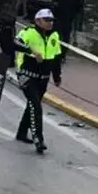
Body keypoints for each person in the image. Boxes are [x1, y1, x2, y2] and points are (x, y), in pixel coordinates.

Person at [15, 8, 63, 154]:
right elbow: (14, 43)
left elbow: (56, 58)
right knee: (36, 107)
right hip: (27, 75)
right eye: (46, 20)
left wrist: (57, 76)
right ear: (37, 21)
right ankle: (38, 140)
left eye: (51, 20)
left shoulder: (54, 36)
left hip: (43, 78)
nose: (50, 23)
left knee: (32, 105)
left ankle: (21, 133)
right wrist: (31, 51)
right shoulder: (28, 32)